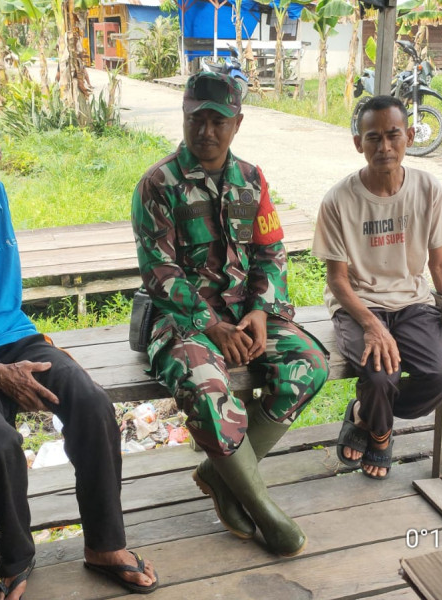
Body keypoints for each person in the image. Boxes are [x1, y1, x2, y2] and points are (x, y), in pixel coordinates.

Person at [0, 94, 158, 599]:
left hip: (14, 335)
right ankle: (16, 555)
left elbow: (3, 301)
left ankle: (105, 544)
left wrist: (13, 362)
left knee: (92, 404)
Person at [131, 72, 329, 557]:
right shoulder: (158, 184)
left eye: (218, 120)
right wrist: (211, 326)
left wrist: (260, 312)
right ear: (183, 115)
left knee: (309, 365)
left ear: (237, 123)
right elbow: (160, 273)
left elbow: (271, 252)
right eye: (196, 118)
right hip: (180, 320)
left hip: (245, 315)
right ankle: (261, 506)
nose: (205, 130)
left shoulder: (252, 179)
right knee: (206, 387)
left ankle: (218, 477)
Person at [312, 95, 442, 480]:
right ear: (358, 143)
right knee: (378, 376)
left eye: (393, 135)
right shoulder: (339, 200)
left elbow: (438, 267)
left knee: (441, 377)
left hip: (412, 302)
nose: (384, 147)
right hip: (360, 303)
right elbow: (337, 280)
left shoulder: (428, 190)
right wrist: (372, 324)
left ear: (409, 136)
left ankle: (363, 414)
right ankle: (382, 433)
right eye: (373, 138)